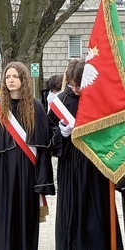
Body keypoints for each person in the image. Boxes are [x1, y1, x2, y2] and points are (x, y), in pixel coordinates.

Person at [0, 62, 55, 250]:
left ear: (23, 79)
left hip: (28, 174)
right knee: (5, 220)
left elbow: (43, 150)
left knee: (27, 221)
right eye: (7, 77)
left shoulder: (36, 108)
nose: (10, 80)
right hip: (3, 175)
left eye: (15, 76)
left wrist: (41, 180)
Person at [48, 59, 123, 249]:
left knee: (97, 217)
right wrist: (61, 134)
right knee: (72, 216)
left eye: (79, 84)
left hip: (95, 166)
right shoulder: (62, 101)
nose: (75, 89)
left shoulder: (100, 100)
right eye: (72, 84)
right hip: (70, 167)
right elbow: (50, 135)